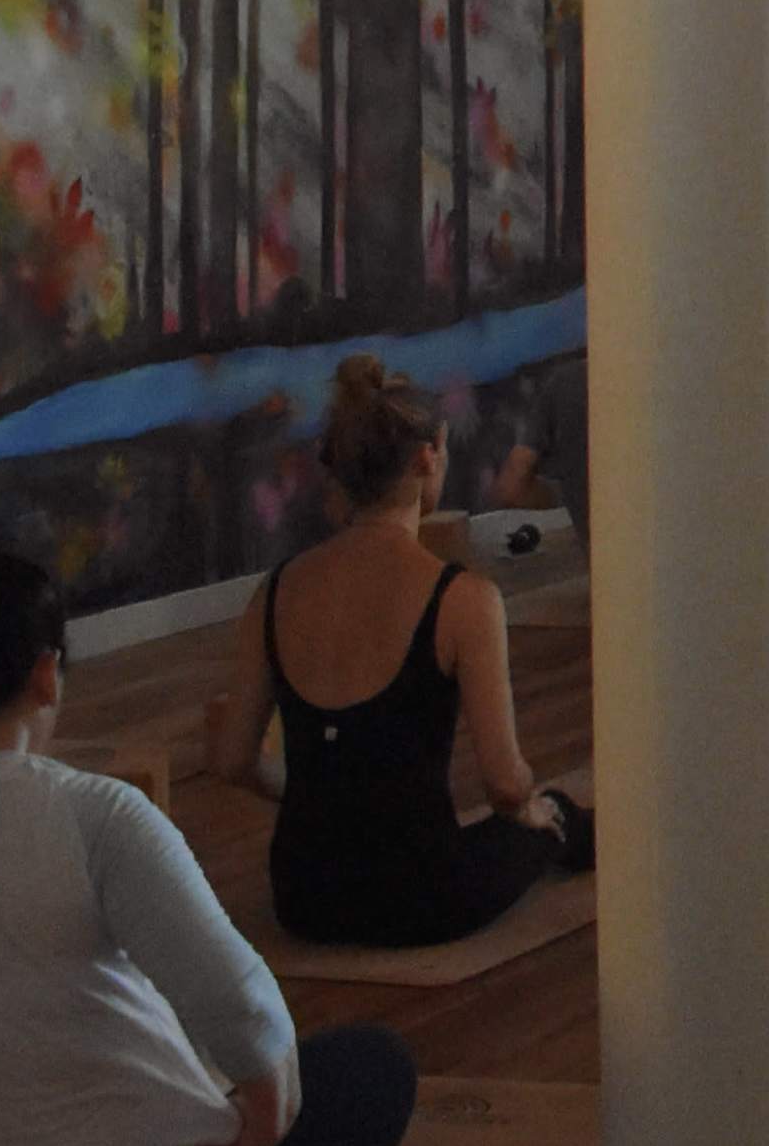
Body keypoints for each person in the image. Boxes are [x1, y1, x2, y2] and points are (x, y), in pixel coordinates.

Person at [0, 513, 419, 1146]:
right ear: (47, 675)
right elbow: (240, 1007)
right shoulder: (90, 814)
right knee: (375, 1068)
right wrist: (260, 1119)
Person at [213, 356, 589, 949]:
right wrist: (535, 812)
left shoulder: (274, 591)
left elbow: (233, 758)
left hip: (303, 894)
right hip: (419, 896)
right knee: (558, 811)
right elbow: (507, 785)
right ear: (425, 459)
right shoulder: (464, 599)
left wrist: (311, 794)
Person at [484, 348, 769, 619]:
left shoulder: (562, 385)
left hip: (619, 589)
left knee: (743, 544)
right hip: (695, 585)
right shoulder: (668, 377)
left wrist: (575, 493)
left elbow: (510, 489)